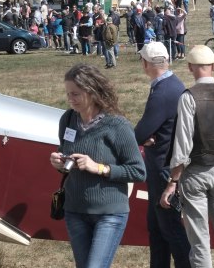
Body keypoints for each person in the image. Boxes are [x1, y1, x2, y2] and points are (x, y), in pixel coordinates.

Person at [49, 64, 146, 268]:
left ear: (92, 92)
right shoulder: (67, 119)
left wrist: (99, 168)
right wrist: (59, 162)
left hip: (109, 213)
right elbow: (65, 152)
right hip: (75, 210)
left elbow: (138, 171)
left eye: (75, 94)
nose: (70, 99)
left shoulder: (117, 126)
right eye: (68, 94)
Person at [160, 45, 214, 268]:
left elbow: (182, 145)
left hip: (196, 173)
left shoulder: (189, 97)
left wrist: (173, 181)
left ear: (190, 68)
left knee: (200, 241)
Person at [135, 43, 191, 268]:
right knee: (157, 228)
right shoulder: (170, 84)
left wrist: (143, 138)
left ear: (146, 63)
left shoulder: (164, 90)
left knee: (169, 229)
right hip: (162, 165)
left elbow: (140, 132)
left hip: (162, 168)